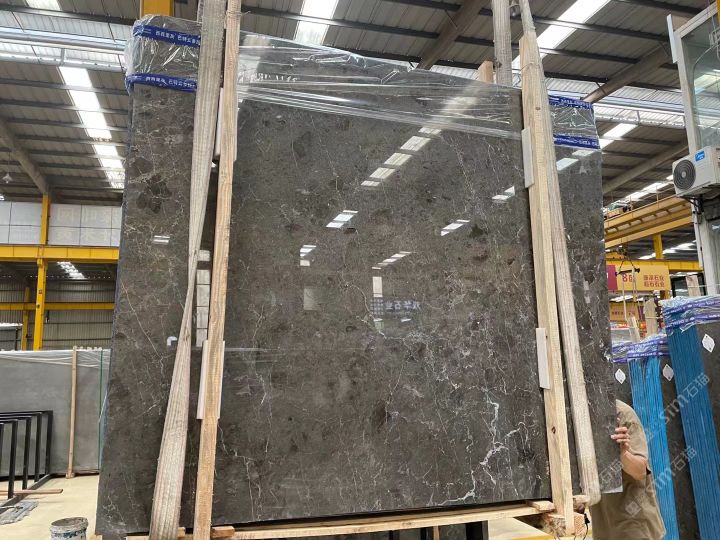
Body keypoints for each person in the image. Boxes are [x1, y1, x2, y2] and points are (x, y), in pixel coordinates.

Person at [589, 400, 666, 540]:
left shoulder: (622, 413)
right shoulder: (580, 413)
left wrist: (623, 454)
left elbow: (640, 471)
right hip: (604, 526)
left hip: (634, 526)